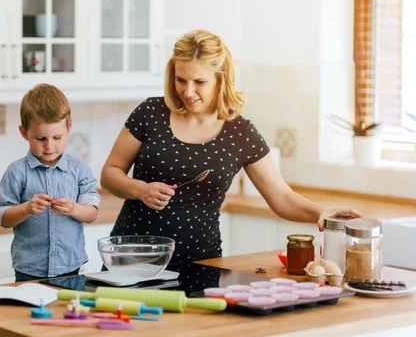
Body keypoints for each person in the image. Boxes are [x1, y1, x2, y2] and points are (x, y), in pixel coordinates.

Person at [100, 29, 362, 263]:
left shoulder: (240, 133)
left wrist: (320, 211)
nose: (188, 92)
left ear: (220, 79)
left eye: (199, 82)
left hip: (200, 262)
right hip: (131, 256)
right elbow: (110, 173)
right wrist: (140, 189)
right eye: (181, 80)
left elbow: (281, 197)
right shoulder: (151, 113)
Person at [0, 83, 101, 281]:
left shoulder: (79, 169)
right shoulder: (17, 172)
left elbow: (92, 213)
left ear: (68, 129)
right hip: (29, 269)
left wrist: (73, 208)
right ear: (24, 133)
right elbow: (2, 217)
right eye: (41, 138)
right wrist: (26, 208)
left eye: (57, 137)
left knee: (66, 312)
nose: (49, 146)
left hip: (70, 265)